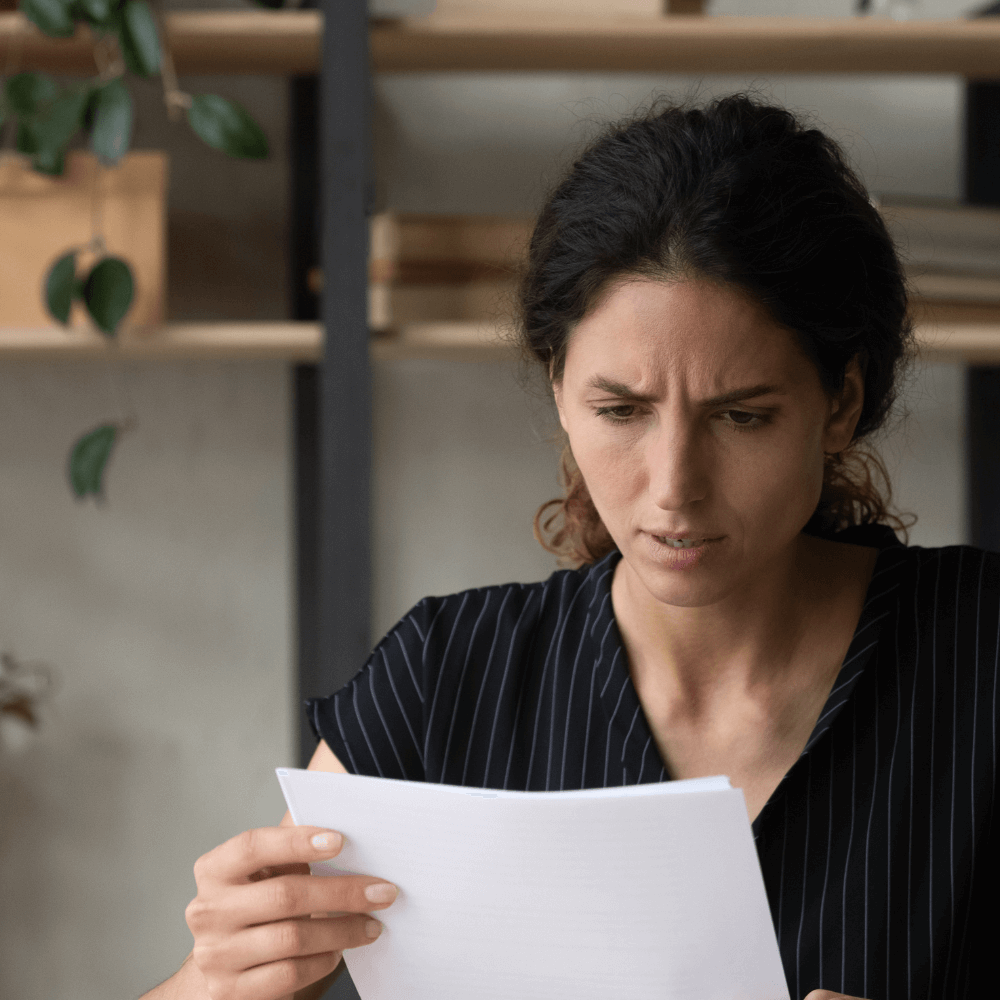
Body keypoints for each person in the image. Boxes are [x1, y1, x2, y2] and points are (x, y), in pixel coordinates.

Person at [145, 92, 998, 1000]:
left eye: (742, 416)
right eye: (619, 411)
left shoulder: (981, 654)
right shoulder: (448, 680)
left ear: (842, 402)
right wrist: (214, 978)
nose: (674, 485)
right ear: (559, 390)